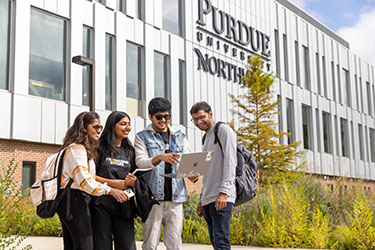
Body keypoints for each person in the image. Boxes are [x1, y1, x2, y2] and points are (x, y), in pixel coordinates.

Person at [57, 111, 128, 250]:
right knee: (86, 246)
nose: (99, 131)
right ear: (83, 128)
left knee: (72, 246)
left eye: (100, 127)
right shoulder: (76, 149)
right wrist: (111, 190)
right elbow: (85, 182)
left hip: (72, 201)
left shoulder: (83, 149)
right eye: (95, 127)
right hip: (74, 201)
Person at [134, 97, 196, 250]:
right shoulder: (142, 136)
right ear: (150, 116)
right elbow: (140, 162)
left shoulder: (180, 136)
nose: (163, 120)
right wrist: (159, 158)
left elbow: (187, 161)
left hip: (176, 197)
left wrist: (193, 175)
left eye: (166, 116)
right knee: (150, 244)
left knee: (174, 244)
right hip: (153, 197)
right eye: (159, 117)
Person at [190, 102, 237, 250]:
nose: (199, 122)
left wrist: (224, 192)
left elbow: (231, 162)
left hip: (221, 198)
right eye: (195, 119)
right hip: (208, 199)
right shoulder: (205, 138)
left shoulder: (223, 130)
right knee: (215, 243)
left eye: (201, 117)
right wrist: (201, 200)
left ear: (210, 114)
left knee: (221, 242)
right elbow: (207, 173)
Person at [92, 111, 138, 250]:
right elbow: (90, 175)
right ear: (112, 126)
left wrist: (133, 181)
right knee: (102, 246)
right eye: (123, 124)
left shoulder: (130, 150)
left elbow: (136, 175)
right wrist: (115, 184)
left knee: (127, 246)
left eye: (129, 124)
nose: (128, 127)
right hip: (101, 204)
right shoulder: (99, 147)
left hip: (124, 206)